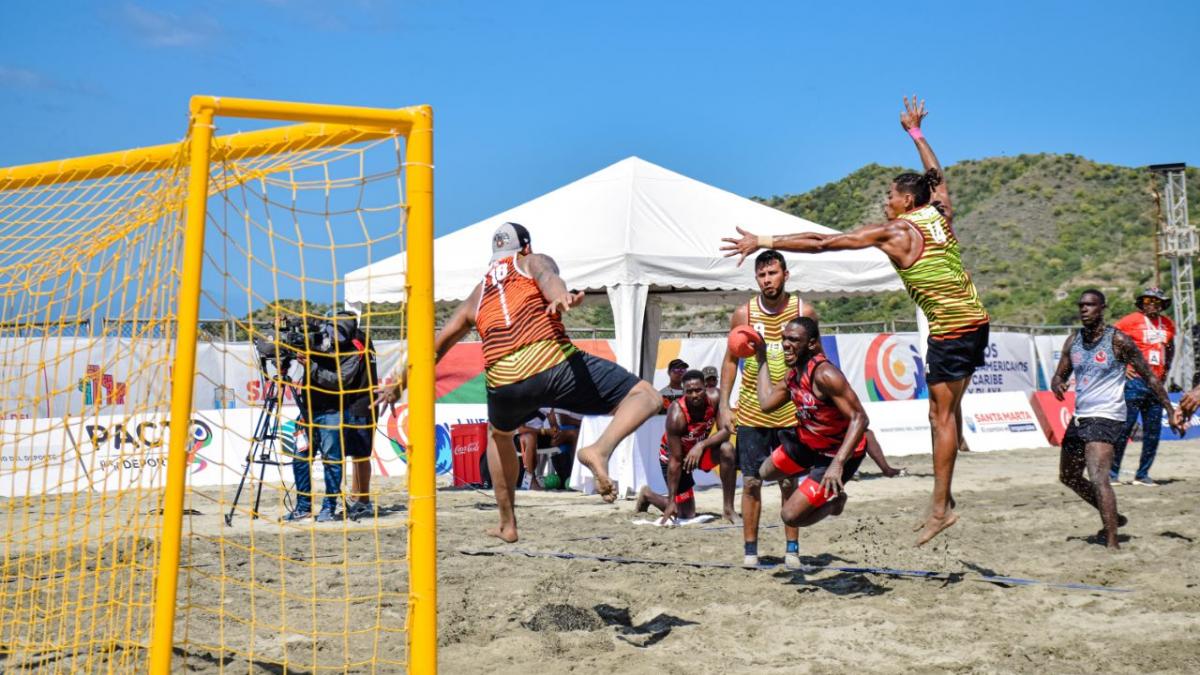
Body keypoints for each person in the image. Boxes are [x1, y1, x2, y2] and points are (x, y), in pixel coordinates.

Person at [723, 96, 988, 546]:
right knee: (947, 414)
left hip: (950, 329)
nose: (886, 202)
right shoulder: (939, 213)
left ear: (906, 200)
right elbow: (938, 179)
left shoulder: (898, 230)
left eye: (889, 196)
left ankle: (940, 507)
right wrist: (917, 134)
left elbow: (826, 243)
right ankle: (945, 491)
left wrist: (765, 239)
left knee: (939, 418)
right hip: (977, 321)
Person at [376, 222, 661, 542]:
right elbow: (548, 278)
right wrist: (560, 297)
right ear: (526, 247)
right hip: (550, 362)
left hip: (503, 380)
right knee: (646, 395)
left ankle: (507, 524)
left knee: (499, 436)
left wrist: (398, 385)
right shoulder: (532, 261)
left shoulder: (477, 293)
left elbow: (436, 347)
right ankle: (599, 449)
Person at [1050, 290, 1182, 549]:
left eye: (1090, 305)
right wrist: (1058, 383)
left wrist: (1169, 408)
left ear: (1102, 308)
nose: (1084, 309)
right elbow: (1060, 375)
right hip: (1081, 416)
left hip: (1107, 416)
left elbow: (1150, 376)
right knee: (1069, 476)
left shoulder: (1118, 340)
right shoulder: (1073, 341)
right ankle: (1115, 519)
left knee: (1100, 478)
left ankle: (1112, 543)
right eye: (1081, 305)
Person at [717, 249, 818, 567]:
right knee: (751, 482)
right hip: (751, 411)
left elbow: (815, 359)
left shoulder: (804, 310)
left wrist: (815, 403)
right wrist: (723, 404)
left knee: (789, 482)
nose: (767, 279)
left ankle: (792, 551)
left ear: (785, 275)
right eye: (761, 275)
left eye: (772, 273)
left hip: (790, 412)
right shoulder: (744, 314)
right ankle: (751, 553)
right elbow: (731, 360)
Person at [755, 318, 869, 544]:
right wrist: (761, 360)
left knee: (790, 516)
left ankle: (835, 503)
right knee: (765, 472)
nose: (786, 344)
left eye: (794, 340)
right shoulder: (793, 375)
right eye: (784, 338)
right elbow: (766, 404)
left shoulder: (824, 375)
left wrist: (837, 464)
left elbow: (860, 418)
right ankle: (808, 479)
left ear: (812, 344)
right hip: (808, 444)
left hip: (835, 455)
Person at [284, 311, 375, 523]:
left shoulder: (354, 349)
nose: (333, 335)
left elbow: (339, 381)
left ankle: (329, 507)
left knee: (333, 460)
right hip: (307, 410)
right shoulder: (316, 339)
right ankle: (303, 507)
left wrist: (310, 365)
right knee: (300, 458)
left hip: (333, 412)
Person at [635, 369, 738, 524]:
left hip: (699, 451)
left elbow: (726, 431)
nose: (694, 395)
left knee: (727, 449)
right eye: (689, 391)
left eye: (698, 390)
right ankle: (648, 495)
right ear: (683, 392)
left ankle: (729, 510)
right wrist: (670, 500)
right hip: (678, 458)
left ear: (705, 388)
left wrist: (701, 445)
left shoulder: (716, 397)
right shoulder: (677, 414)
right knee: (686, 514)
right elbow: (675, 460)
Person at [1110, 287, 1175, 486]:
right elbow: (1109, 340)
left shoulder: (1168, 325)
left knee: (1153, 432)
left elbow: (1170, 350)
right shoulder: (1130, 321)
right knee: (1124, 428)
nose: (1152, 304)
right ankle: (1112, 475)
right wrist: (1121, 366)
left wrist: (1165, 373)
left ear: (1162, 304)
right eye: (1148, 300)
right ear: (1142, 303)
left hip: (1156, 384)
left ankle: (1142, 474)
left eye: (1156, 301)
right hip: (1135, 381)